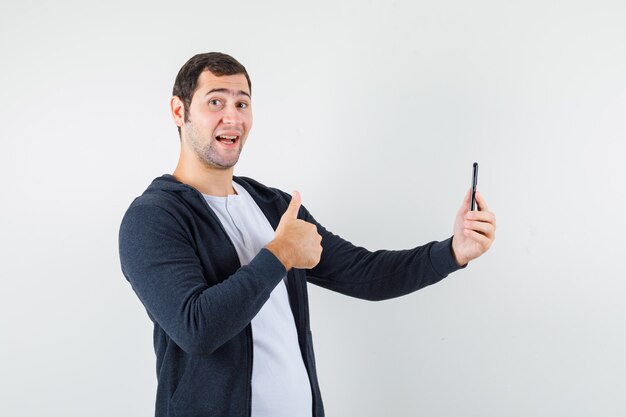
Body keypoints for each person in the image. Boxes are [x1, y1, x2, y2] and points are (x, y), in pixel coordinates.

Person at [118, 52, 496, 417]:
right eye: (215, 102)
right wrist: (280, 254)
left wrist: (452, 252)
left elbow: (366, 274)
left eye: (242, 104)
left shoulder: (273, 205)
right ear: (178, 111)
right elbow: (197, 329)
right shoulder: (153, 218)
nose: (232, 117)